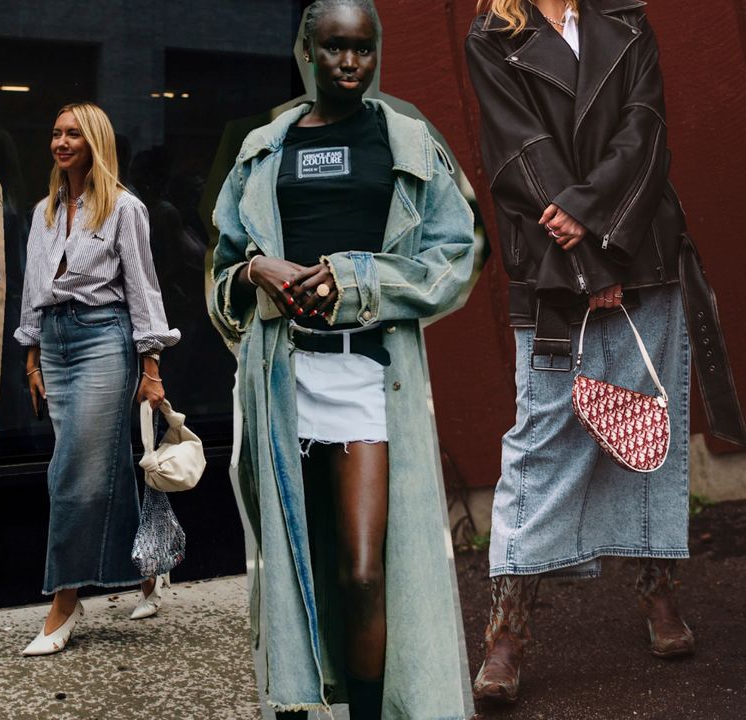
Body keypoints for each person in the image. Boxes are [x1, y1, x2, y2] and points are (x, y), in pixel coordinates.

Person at [465, 0, 745, 706]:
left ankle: (658, 595)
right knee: (541, 443)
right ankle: (508, 632)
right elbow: (517, 150)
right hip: (554, 267)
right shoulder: (493, 33)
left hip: (642, 247)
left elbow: (646, 132)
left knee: (646, 430)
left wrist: (596, 214)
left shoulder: (626, 19)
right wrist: (588, 262)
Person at [209, 1, 478, 717]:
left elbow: (456, 257)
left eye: (363, 48)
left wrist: (359, 280)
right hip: (284, 379)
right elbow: (221, 276)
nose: (351, 63)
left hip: (369, 375)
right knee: (300, 565)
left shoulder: (407, 140)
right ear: (306, 52)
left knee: (362, 572)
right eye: (334, 49)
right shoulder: (264, 148)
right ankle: (306, 702)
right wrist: (255, 271)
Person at [15, 102, 179, 656]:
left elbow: (144, 287)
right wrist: (32, 357)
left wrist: (151, 366)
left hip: (103, 338)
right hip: (56, 345)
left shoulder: (124, 208)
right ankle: (151, 568)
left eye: (74, 135)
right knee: (97, 464)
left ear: (95, 144)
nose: (61, 143)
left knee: (71, 472)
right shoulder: (42, 211)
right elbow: (32, 286)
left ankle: (64, 600)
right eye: (56, 133)